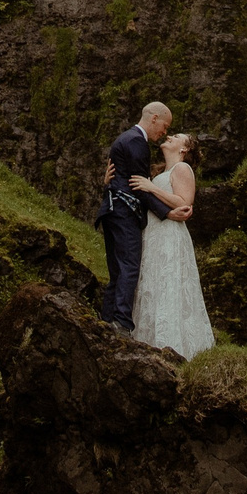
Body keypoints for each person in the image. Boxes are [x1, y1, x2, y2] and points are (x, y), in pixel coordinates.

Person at [127, 131, 216, 357]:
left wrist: (151, 188)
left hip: (170, 234)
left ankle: (173, 346)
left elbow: (185, 203)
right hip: (154, 233)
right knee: (152, 283)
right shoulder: (161, 172)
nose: (169, 137)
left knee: (169, 282)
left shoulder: (182, 168)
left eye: (176, 137)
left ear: (184, 149)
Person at [95, 102, 180, 330]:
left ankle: (106, 321)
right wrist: (167, 212)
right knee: (129, 266)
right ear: (154, 118)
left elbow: (121, 179)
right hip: (124, 212)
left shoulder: (126, 138)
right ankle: (122, 322)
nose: (164, 132)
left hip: (112, 210)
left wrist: (107, 185)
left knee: (117, 270)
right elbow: (139, 186)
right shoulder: (136, 141)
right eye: (165, 126)